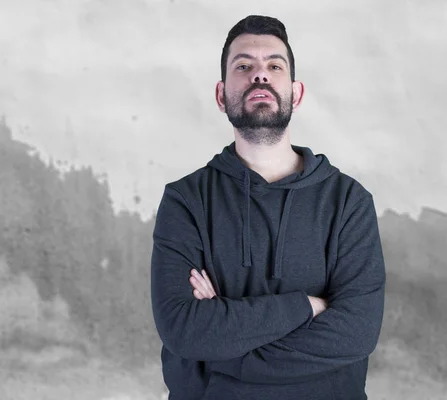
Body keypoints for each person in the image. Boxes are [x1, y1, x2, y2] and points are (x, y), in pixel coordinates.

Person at [150, 15, 386, 400]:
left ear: (296, 93)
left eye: (274, 66)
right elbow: (183, 329)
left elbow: (357, 332)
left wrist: (224, 347)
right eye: (243, 66)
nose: (260, 75)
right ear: (220, 93)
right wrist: (307, 307)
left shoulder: (348, 202)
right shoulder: (186, 200)